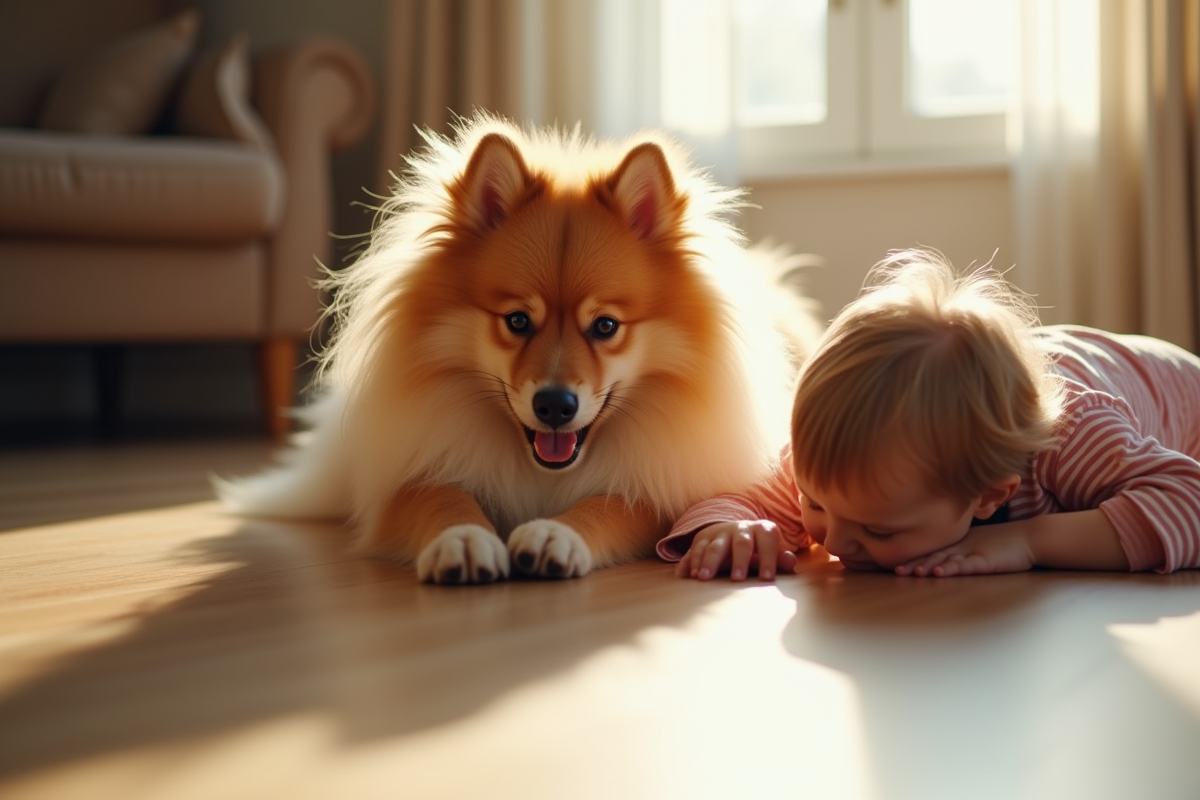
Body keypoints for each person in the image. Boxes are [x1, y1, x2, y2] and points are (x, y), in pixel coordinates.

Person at [660, 247, 1200, 580]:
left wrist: (1028, 542)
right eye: (814, 502)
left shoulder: (1069, 438)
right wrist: (731, 528)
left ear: (991, 495)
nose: (836, 541)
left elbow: (1187, 502)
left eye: (878, 529)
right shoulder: (841, 463)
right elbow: (736, 497)